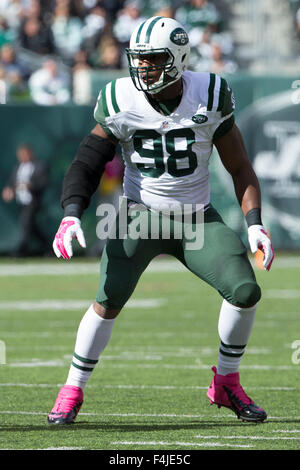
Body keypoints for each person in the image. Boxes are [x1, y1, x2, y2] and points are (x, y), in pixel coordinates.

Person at [48, 16, 274, 425]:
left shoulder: (210, 94)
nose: (142, 69)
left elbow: (240, 167)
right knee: (107, 299)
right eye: (139, 60)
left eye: (151, 60)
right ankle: (72, 389)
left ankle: (225, 383)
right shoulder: (121, 98)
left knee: (244, 290)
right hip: (140, 216)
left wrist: (255, 223)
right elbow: (88, 160)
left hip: (196, 219)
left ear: (178, 59)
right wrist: (70, 215)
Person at [2, 143, 49, 256]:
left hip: (33, 202)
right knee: (32, 227)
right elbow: (12, 183)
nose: (22, 156)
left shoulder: (39, 166)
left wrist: (30, 185)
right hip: (21, 202)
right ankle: (50, 247)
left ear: (30, 153)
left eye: (24, 154)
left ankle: (21, 250)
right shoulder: (17, 168)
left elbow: (44, 182)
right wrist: (8, 190)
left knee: (25, 222)